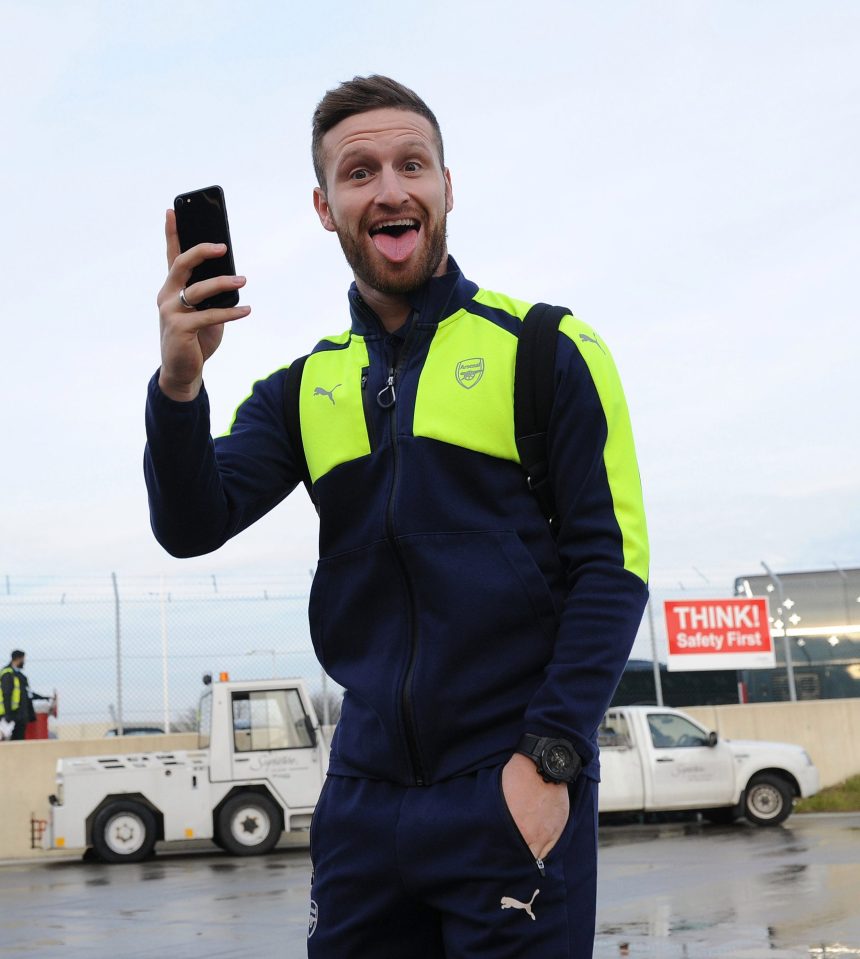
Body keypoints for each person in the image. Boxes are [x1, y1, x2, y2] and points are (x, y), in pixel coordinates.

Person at [144, 75, 649, 958]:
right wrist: (180, 383)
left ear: (446, 186)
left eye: (412, 164)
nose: (389, 188)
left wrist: (548, 761)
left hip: (510, 783)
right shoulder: (303, 389)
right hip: (362, 808)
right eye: (359, 171)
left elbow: (614, 569)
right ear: (324, 205)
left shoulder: (548, 349)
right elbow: (192, 524)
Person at [0, 650, 42, 741]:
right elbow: (6, 695)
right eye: (23, 659)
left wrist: (45, 698)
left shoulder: (20, 676)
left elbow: (28, 693)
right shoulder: (7, 674)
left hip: (20, 716)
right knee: (11, 743)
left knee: (19, 742)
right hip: (11, 716)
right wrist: (8, 715)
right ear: (18, 659)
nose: (24, 662)